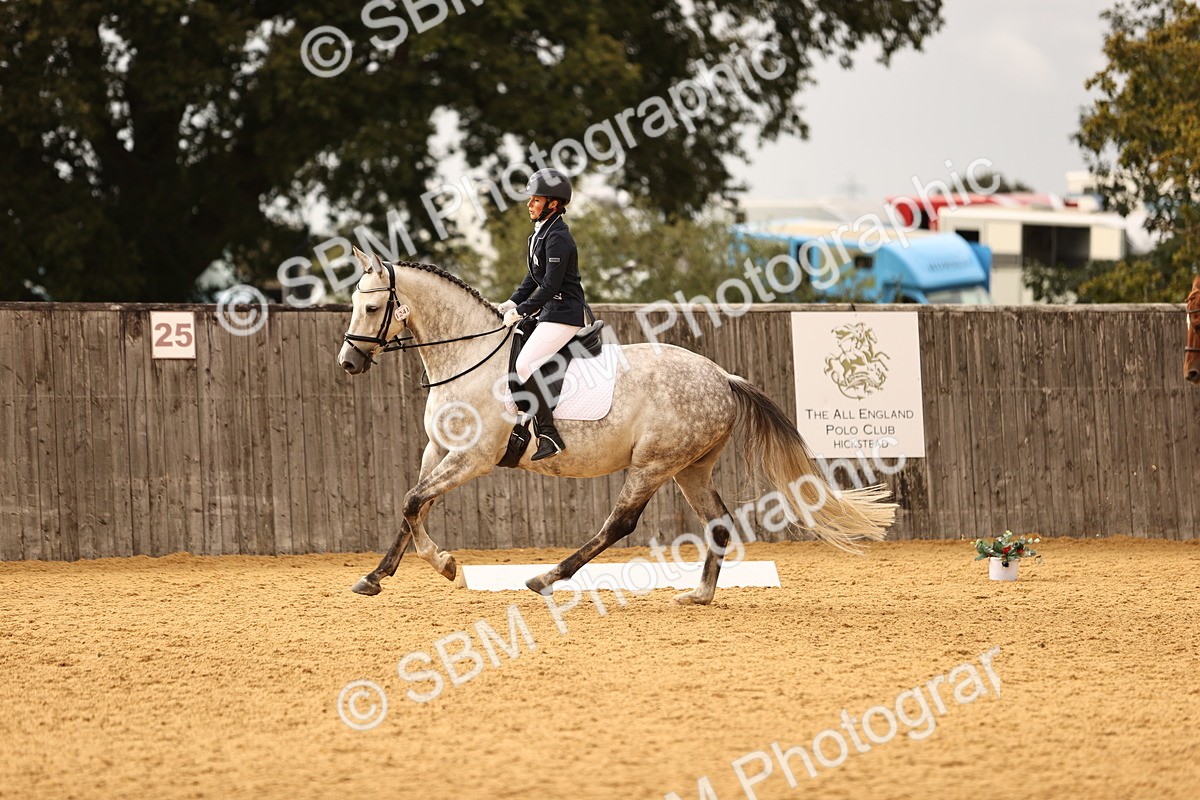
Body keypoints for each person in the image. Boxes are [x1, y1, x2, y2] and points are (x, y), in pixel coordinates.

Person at [498, 168, 588, 461]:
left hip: (565, 314)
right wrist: (511, 303)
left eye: (536, 200)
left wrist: (522, 311)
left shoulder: (558, 236)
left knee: (525, 364)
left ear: (553, 204)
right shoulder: (540, 234)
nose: (529, 204)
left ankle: (548, 433)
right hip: (550, 312)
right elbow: (532, 278)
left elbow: (550, 285)